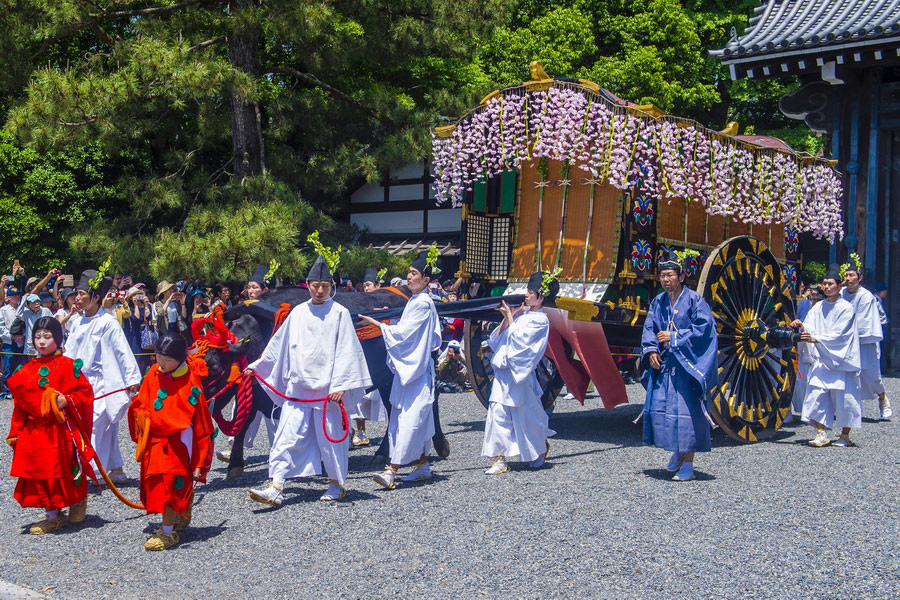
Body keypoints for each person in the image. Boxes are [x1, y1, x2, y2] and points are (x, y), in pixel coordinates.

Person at [247, 253, 371, 505]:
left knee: (330, 440)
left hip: (327, 392)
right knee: (285, 438)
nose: (320, 291)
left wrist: (341, 384)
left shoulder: (339, 313)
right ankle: (276, 485)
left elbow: (347, 349)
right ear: (308, 285)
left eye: (325, 286)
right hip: (299, 389)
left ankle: (337, 483)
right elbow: (279, 344)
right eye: (316, 286)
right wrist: (259, 365)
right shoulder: (298, 313)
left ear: (331, 288)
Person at [359, 249, 442, 489]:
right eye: (408, 272)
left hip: (415, 371)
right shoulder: (415, 301)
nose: (409, 277)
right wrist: (389, 320)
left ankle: (391, 471)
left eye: (414, 273)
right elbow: (406, 329)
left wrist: (378, 324)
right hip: (411, 369)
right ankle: (423, 466)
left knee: (409, 419)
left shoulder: (423, 303)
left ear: (426, 281)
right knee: (411, 417)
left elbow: (404, 335)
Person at [6, 317, 95, 534]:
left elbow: (84, 393)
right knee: (40, 473)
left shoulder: (68, 366)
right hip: (35, 431)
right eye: (37, 337)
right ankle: (52, 515)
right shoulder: (25, 370)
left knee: (63, 470)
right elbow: (19, 405)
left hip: (60, 430)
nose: (42, 342)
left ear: (58, 338)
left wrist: (68, 399)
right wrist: (16, 432)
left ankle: (77, 499)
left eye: (47, 337)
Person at [127, 334, 213, 550]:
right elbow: (140, 403)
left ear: (180, 359)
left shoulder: (191, 382)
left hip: (177, 444)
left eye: (167, 360)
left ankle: (167, 532)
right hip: (154, 441)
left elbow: (202, 424)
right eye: (158, 357)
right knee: (157, 484)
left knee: (168, 484)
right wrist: (139, 413)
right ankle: (177, 514)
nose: (161, 363)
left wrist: (201, 460)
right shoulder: (152, 374)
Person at [640, 251, 717, 482]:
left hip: (688, 367)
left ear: (681, 277)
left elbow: (705, 330)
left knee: (687, 414)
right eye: (662, 275)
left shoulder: (695, 300)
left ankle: (688, 465)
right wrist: (651, 349)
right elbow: (649, 327)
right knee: (667, 412)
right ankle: (677, 451)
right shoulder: (658, 301)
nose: (666, 280)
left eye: (670, 275)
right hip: (666, 367)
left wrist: (675, 337)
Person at [65, 270, 142, 485]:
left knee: (97, 425)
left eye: (81, 294)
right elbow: (69, 352)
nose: (77, 298)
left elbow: (121, 350)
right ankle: (114, 468)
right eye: (77, 294)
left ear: (95, 297)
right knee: (91, 426)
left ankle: (89, 469)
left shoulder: (107, 322)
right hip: (79, 383)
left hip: (101, 382)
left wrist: (132, 378)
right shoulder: (76, 322)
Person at [481, 271, 556, 475]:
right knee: (498, 413)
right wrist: (510, 316)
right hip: (504, 372)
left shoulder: (541, 320)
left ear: (541, 297)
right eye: (528, 291)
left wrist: (510, 316)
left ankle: (539, 449)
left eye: (532, 292)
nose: (527, 295)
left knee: (527, 416)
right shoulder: (523, 315)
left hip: (519, 374)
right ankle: (500, 458)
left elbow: (520, 342)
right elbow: (498, 340)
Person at [793, 266, 862, 447]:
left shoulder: (847, 308)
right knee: (816, 395)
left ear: (839, 287)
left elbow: (841, 334)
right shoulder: (817, 307)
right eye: (824, 284)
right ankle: (821, 433)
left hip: (841, 360)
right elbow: (809, 326)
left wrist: (817, 339)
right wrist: (801, 326)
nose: (826, 287)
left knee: (845, 399)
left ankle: (845, 435)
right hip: (822, 358)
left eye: (830, 284)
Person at [840, 256, 891, 420]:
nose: (848, 279)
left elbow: (863, 322)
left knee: (871, 376)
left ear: (859, 277)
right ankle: (853, 409)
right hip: (846, 342)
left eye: (851, 275)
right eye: (846, 275)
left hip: (864, 341)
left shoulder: (866, 296)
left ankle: (883, 398)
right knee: (848, 376)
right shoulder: (841, 293)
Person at [1, 282, 23, 399]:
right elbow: (1, 327)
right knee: (8, 367)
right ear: (8, 297)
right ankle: (8, 389)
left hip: (21, 342)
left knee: (20, 366)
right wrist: (11, 337)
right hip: (8, 343)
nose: (16, 297)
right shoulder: (3, 310)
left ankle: (18, 389)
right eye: (13, 295)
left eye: (18, 295)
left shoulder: (23, 309)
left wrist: (22, 336)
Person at [16, 293, 53, 359]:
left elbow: (53, 324)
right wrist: (23, 299)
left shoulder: (46, 310)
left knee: (44, 361)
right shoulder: (26, 313)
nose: (37, 304)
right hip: (31, 342)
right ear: (28, 305)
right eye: (34, 302)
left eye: (38, 301)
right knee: (31, 363)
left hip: (44, 340)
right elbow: (18, 314)